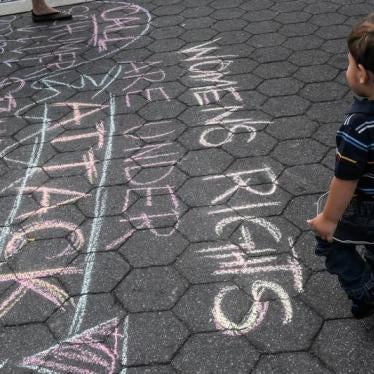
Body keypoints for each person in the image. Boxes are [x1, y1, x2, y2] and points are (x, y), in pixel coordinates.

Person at [307, 13, 374, 319]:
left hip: (369, 207)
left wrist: (328, 221)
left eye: (348, 63)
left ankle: (365, 291)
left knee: (328, 241)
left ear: (361, 73)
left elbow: (344, 181)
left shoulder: (359, 126)